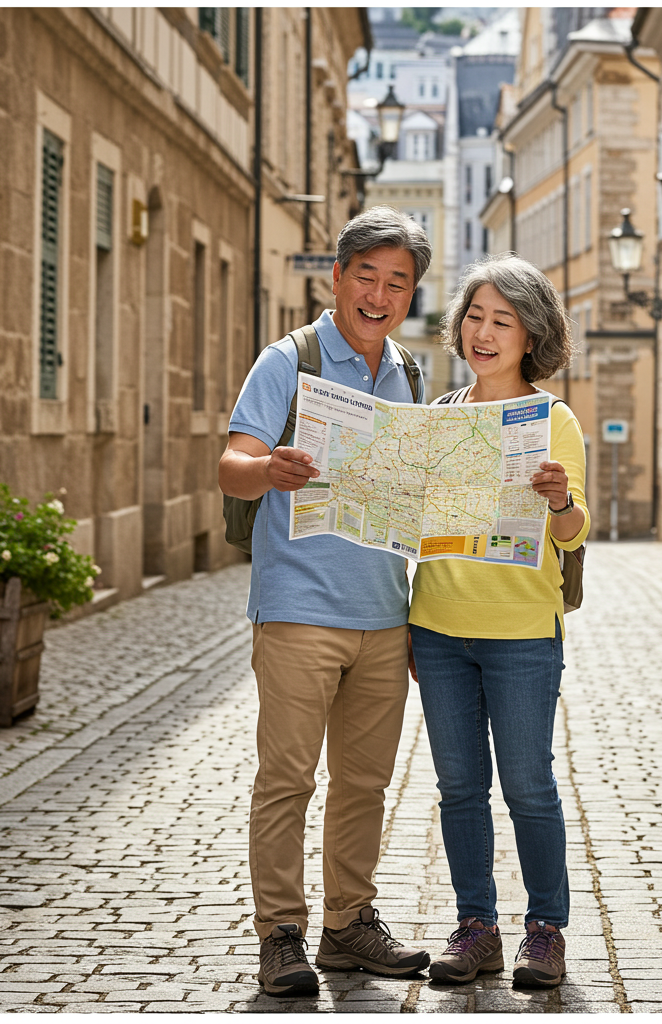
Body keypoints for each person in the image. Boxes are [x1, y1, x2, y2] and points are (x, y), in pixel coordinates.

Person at [219, 206, 433, 996]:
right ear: (337, 278)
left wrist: (420, 613)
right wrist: (268, 467)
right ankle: (281, 932)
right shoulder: (290, 359)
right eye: (366, 277)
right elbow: (231, 463)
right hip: (299, 609)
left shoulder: (411, 374)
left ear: (410, 295)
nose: (379, 295)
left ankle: (349, 924)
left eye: (397, 283)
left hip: (384, 613)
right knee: (288, 779)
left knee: (365, 783)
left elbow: (417, 500)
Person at [408, 254, 590, 989]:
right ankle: (476, 926)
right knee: (458, 787)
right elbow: (410, 528)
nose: (484, 333)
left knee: (528, 786)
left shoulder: (554, 419)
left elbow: (574, 533)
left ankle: (545, 930)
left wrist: (555, 498)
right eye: (475, 317)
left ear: (530, 335)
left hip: (521, 633)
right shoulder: (440, 419)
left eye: (502, 321)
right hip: (439, 629)